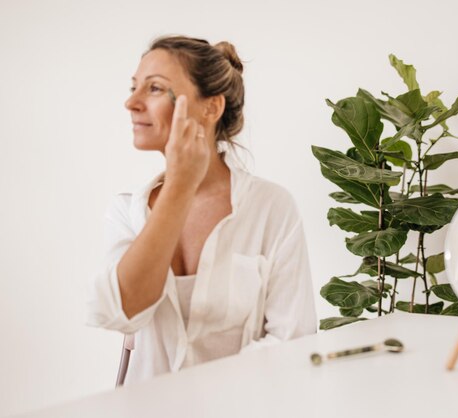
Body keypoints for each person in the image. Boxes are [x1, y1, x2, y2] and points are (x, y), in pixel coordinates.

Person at [87, 36, 317, 383]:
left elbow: (293, 343)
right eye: (134, 87)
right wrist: (179, 185)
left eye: (154, 89)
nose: (130, 102)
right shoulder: (126, 211)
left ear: (211, 108)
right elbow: (118, 313)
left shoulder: (272, 207)